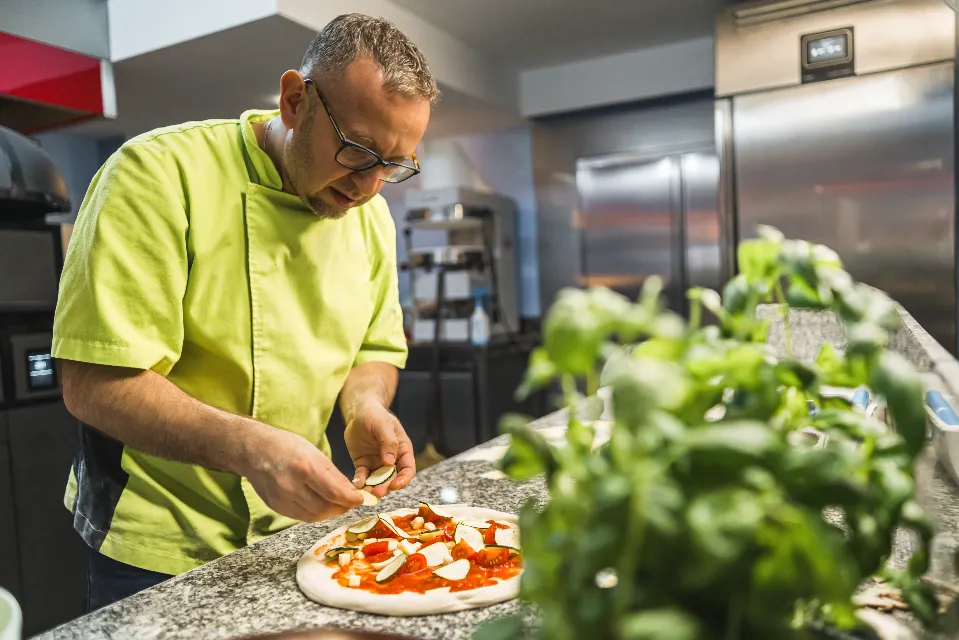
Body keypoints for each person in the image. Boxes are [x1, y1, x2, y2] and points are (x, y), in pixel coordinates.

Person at [51, 13, 439, 611]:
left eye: (393, 165)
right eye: (358, 149)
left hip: (297, 529)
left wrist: (364, 406)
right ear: (294, 99)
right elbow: (94, 382)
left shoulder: (372, 218)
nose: (368, 186)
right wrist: (255, 448)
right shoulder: (156, 174)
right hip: (156, 542)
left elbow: (375, 348)